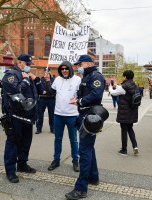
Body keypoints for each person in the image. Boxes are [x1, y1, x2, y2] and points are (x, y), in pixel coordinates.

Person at [65, 55, 105, 200]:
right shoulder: (86, 76)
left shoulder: (96, 76)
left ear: (88, 63)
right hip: (84, 116)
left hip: (90, 118)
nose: (78, 66)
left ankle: (81, 189)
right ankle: (93, 177)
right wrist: (77, 100)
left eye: (80, 64)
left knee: (85, 150)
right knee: (89, 148)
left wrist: (80, 101)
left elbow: (96, 94)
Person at [1, 54, 43, 183]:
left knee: (26, 142)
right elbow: (16, 91)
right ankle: (10, 170)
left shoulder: (28, 75)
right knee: (13, 143)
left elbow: (40, 92)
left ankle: (22, 164)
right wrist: (25, 80)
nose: (29, 66)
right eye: (27, 64)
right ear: (20, 62)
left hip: (28, 116)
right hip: (15, 116)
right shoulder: (11, 75)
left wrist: (36, 80)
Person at [47, 61, 81, 172]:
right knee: (57, 139)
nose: (64, 71)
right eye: (62, 69)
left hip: (72, 115)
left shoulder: (77, 79)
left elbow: (82, 95)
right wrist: (47, 81)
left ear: (70, 69)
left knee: (74, 140)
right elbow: (50, 92)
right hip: (58, 115)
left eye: (66, 68)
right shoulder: (57, 79)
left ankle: (75, 161)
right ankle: (56, 160)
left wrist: (77, 101)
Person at [109, 70, 139, 156]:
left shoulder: (123, 86)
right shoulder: (134, 85)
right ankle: (135, 146)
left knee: (124, 130)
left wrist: (110, 87)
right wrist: (117, 86)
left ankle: (124, 150)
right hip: (133, 111)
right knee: (130, 128)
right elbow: (125, 90)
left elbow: (114, 93)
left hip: (124, 112)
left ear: (125, 77)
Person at [35, 67, 56, 134]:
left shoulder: (53, 80)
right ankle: (39, 129)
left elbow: (54, 89)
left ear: (50, 72)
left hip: (51, 98)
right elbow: (38, 88)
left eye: (48, 71)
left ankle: (52, 129)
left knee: (52, 114)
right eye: (45, 71)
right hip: (42, 98)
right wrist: (41, 91)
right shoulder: (41, 79)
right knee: (40, 114)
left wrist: (48, 91)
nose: (46, 72)